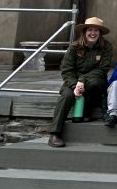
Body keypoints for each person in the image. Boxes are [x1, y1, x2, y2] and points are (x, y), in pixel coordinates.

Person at [47, 16, 113, 148]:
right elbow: (66, 70)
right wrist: (74, 85)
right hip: (73, 81)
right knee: (66, 95)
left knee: (94, 83)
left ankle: (85, 111)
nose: (93, 33)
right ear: (84, 32)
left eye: (96, 30)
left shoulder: (106, 47)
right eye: (90, 30)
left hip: (94, 80)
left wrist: (82, 80)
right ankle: (55, 133)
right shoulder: (74, 47)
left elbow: (102, 69)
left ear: (100, 33)